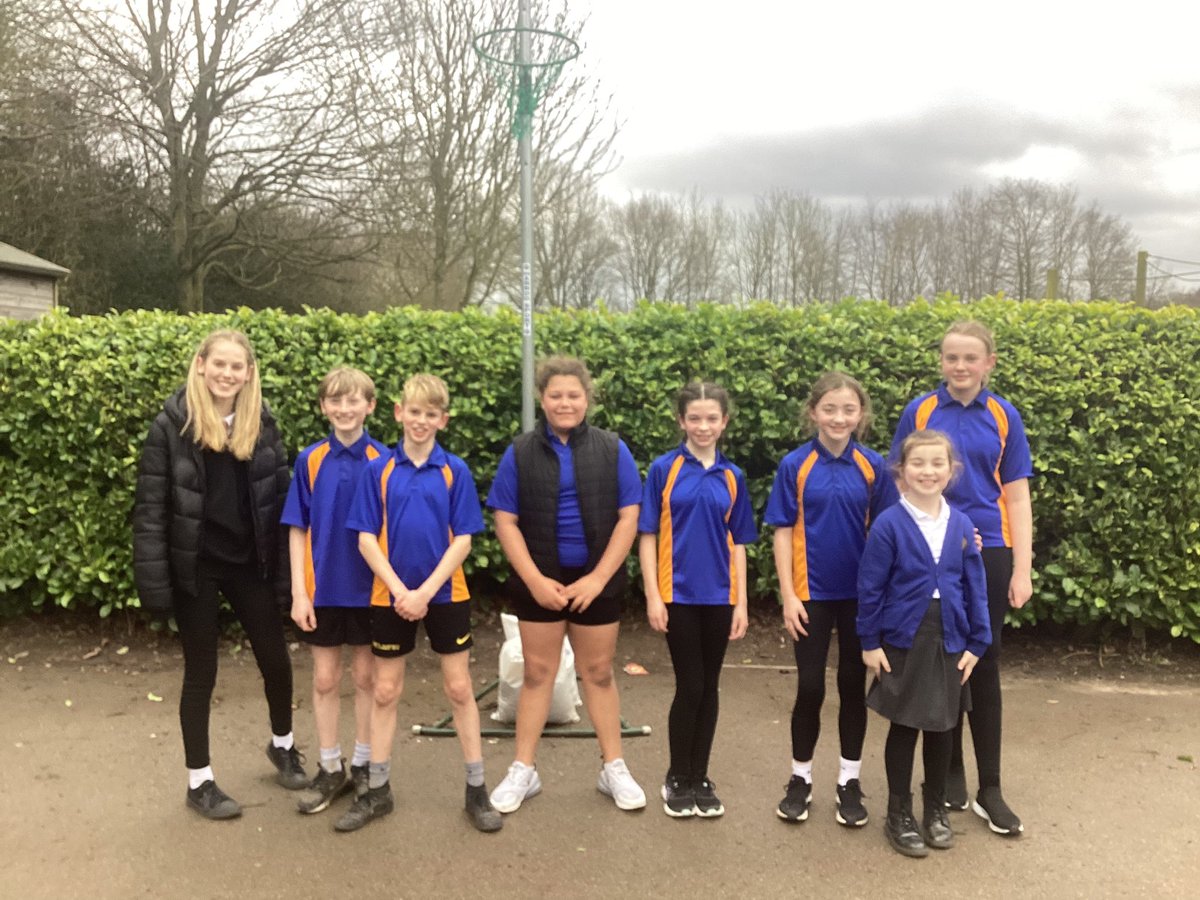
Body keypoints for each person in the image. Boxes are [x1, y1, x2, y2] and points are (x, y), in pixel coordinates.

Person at [133, 329, 307, 820]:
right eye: (220, 364)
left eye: (237, 366)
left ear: (249, 373)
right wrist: (155, 585)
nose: (227, 374)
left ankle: (283, 746)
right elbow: (150, 511)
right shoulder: (171, 426)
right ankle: (200, 782)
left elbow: (279, 503)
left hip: (250, 562)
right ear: (201, 365)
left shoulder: (263, 424)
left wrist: (286, 576)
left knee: (276, 661)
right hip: (197, 567)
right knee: (201, 673)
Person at [337, 373, 501, 833]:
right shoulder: (378, 471)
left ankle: (476, 790)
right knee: (385, 691)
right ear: (398, 413)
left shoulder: (455, 471)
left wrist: (425, 592)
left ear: (443, 420)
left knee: (459, 689)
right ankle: (378, 791)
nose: (421, 421)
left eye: (431, 414)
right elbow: (366, 539)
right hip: (389, 595)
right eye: (414, 412)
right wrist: (400, 592)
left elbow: (464, 540)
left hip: (446, 594)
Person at [890, 320, 1033, 836]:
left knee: (983, 658)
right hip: (932, 548)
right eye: (952, 357)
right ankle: (948, 771)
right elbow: (900, 481)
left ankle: (990, 788)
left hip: (988, 550)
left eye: (971, 358)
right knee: (940, 656)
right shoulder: (921, 410)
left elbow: (1016, 494)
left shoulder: (1004, 415)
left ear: (988, 362)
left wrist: (1022, 567)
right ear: (942, 361)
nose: (960, 366)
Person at [487, 356, 646, 814]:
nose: (565, 403)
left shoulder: (613, 448)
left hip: (596, 584)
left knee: (599, 673)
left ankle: (613, 768)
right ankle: (523, 770)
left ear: (586, 398)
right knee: (537, 674)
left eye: (573, 395)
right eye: (555, 395)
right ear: (542, 398)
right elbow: (505, 520)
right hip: (540, 584)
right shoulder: (519, 452)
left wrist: (597, 579)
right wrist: (534, 580)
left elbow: (629, 517)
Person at [765, 372, 899, 827]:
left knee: (851, 686)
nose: (839, 418)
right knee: (810, 687)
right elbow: (783, 532)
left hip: (861, 597)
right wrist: (788, 594)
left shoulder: (874, 466)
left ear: (861, 415)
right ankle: (800, 778)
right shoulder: (795, 465)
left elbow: (888, 533)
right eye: (829, 409)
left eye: (848, 410)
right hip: (810, 595)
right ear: (813, 412)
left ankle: (849, 781)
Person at [857, 430, 991, 858]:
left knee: (943, 726)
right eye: (918, 463)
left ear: (951, 471)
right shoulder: (888, 524)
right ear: (901, 470)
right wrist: (869, 642)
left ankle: (936, 809)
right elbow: (871, 588)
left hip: (951, 637)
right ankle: (898, 813)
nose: (927, 471)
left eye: (937, 464)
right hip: (903, 638)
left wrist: (978, 641)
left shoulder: (963, 525)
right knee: (905, 725)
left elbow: (975, 586)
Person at [639, 382, 757, 818]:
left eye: (711, 418)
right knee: (690, 685)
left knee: (710, 686)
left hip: (721, 597)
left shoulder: (733, 476)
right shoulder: (663, 469)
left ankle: (700, 777)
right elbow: (647, 535)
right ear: (681, 421)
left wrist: (741, 603)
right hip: (677, 596)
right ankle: (677, 776)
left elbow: (738, 541)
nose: (703, 426)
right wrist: (653, 596)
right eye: (694, 418)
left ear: (724, 422)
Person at [281, 367, 387, 814]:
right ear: (324, 407)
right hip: (321, 590)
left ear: (370, 406)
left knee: (366, 678)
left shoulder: (386, 461)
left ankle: (363, 763)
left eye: (353, 400)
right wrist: (299, 593)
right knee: (325, 679)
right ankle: (329, 767)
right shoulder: (310, 460)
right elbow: (297, 528)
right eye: (335, 401)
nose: (345, 409)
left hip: (370, 591)